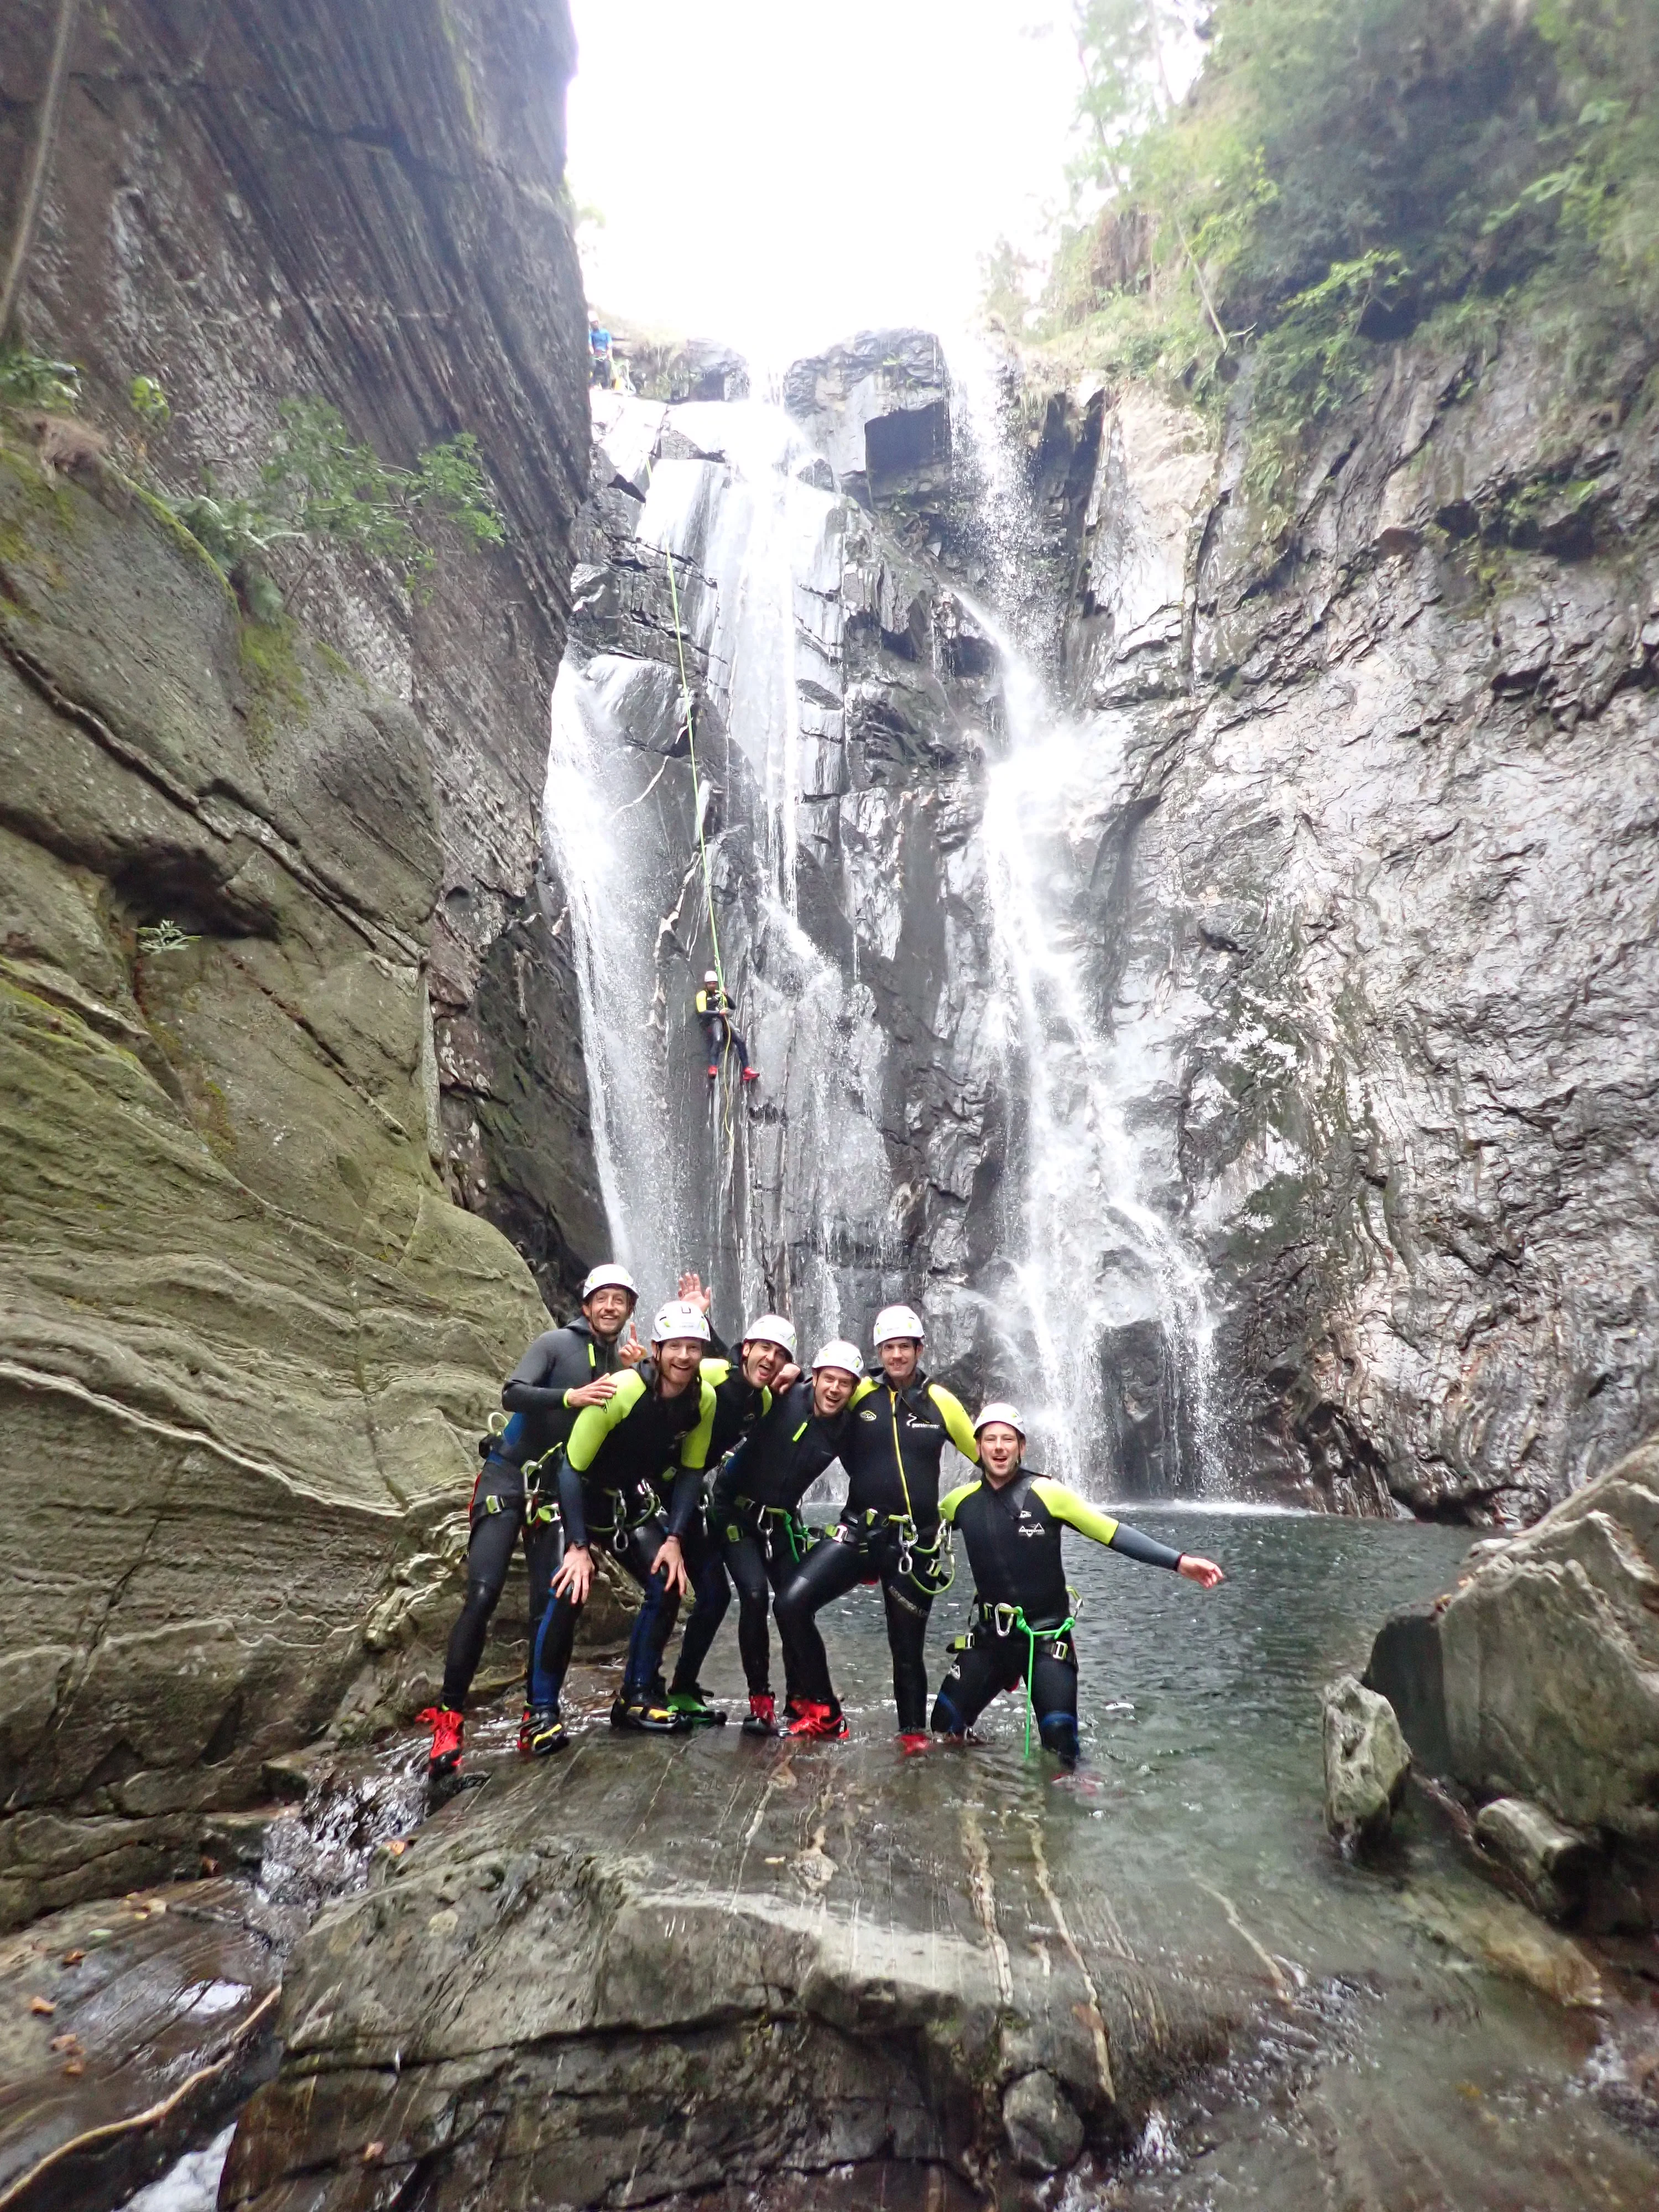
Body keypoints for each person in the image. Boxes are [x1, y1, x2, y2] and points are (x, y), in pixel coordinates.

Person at [420, 1263, 643, 1783]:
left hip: (554, 1490)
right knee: (483, 1593)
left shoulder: (624, 1363)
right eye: (603, 1298)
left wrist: (643, 1371)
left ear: (630, 1309)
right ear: (587, 1305)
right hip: (507, 1476)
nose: (611, 1307)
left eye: (621, 1300)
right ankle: (448, 1722)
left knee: (554, 1602)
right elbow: (513, 1393)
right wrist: (570, 1397)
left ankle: (537, 1716)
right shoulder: (554, 1344)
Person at [932, 1404, 1225, 1769]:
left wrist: (1179, 1561)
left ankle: (1057, 1797)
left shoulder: (1048, 1493)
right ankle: (984, 1777)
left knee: (1062, 1751)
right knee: (943, 1728)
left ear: (1022, 1447)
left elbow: (1112, 1532)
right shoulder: (959, 1503)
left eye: (1008, 1439)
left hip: (1046, 1637)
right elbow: (917, 1529)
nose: (999, 1447)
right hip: (991, 1638)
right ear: (978, 1447)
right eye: (990, 1439)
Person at [773, 1303, 979, 1750]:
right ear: (879, 1352)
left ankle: (912, 1735)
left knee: (906, 1648)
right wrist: (791, 1373)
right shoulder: (860, 1390)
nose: (897, 1355)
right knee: (790, 1603)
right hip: (859, 1534)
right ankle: (825, 1710)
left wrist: (959, 1508)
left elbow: (990, 1460)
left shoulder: (940, 1401)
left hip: (914, 1545)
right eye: (889, 1347)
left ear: (920, 1349)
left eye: (905, 1346)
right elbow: (821, 1389)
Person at [540, 1298, 718, 1734]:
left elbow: (692, 1471)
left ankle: (637, 1695)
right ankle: (541, 1710)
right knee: (569, 1590)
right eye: (675, 1346)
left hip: (627, 1501)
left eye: (693, 1347)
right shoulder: (622, 1390)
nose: (684, 1356)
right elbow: (571, 1468)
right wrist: (578, 1547)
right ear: (656, 1350)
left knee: (667, 1581)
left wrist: (674, 1540)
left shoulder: (704, 1399)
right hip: (577, 1496)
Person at [659, 1287, 800, 1725]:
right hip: (655, 1485)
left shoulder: (764, 1399)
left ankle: (681, 1687)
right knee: (671, 1588)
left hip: (689, 1491)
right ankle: (641, 1689)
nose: (771, 1359)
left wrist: (799, 1375)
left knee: (716, 1594)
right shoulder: (712, 1373)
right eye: (764, 1349)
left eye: (781, 1354)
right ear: (747, 1348)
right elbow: (669, 1375)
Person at [708, 1338, 862, 1734]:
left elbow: (870, 1476)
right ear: (815, 1376)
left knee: (795, 1604)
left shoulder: (847, 1427)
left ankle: (801, 1697)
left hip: (782, 1521)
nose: (834, 1389)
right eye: (829, 1379)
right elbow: (739, 1375)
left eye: (845, 1383)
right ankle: (760, 1700)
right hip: (734, 1510)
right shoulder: (782, 1392)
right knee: (754, 1595)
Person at [695, 970, 759, 1084]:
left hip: (724, 1019)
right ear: (706, 984)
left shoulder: (720, 994)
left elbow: (733, 1006)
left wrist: (726, 995)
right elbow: (702, 1012)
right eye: (710, 984)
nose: (712, 985)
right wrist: (718, 1013)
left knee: (740, 1039)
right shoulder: (702, 995)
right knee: (718, 1039)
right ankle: (713, 1066)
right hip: (713, 1020)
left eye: (714, 983)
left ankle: (746, 1069)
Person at [588, 314, 614, 389]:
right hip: (596, 354)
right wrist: (591, 350)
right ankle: (593, 384)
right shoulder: (591, 334)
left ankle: (607, 386)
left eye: (596, 322)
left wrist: (609, 350)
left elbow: (610, 342)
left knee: (607, 368)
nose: (595, 324)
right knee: (593, 366)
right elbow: (590, 343)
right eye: (593, 323)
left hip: (605, 354)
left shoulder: (605, 332)